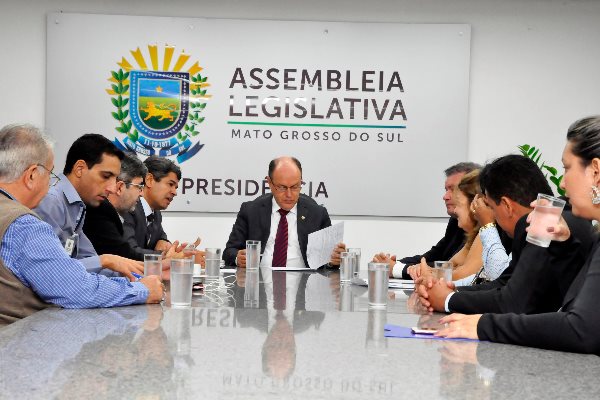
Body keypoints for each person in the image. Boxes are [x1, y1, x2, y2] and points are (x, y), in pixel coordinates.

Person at [435, 116, 600, 355]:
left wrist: (481, 324)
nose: (562, 184)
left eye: (567, 168)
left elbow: (580, 330)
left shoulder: (549, 217)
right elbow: (569, 307)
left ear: (595, 172)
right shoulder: (580, 230)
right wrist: (563, 248)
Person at [0, 124, 163, 326]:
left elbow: (84, 264)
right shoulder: (24, 225)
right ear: (32, 175)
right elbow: (74, 287)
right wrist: (142, 290)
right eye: (50, 174)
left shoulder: (78, 208)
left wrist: (131, 279)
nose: (113, 188)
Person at [417, 154, 593, 315]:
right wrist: (447, 291)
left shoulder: (545, 220)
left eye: (492, 208)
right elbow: (505, 283)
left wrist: (448, 300)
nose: (562, 184)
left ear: (507, 206)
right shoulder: (562, 215)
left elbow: (513, 302)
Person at [34, 133, 143, 278]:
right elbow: (50, 272)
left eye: (114, 179)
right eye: (105, 176)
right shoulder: (50, 201)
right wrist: (105, 260)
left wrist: (143, 274)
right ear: (80, 169)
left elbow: (88, 261)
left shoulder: (78, 206)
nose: (112, 188)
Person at [223, 156, 345, 268]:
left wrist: (333, 260)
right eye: (282, 187)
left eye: (295, 187)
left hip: (305, 286)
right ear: (269, 183)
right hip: (259, 284)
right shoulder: (251, 211)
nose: (289, 194)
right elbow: (229, 251)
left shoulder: (317, 214)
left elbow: (329, 261)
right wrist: (237, 258)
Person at [373, 162, 481, 278]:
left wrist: (396, 268)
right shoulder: (456, 223)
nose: (445, 196)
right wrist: (393, 264)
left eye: (453, 190)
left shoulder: (485, 233)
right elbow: (441, 263)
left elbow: (453, 274)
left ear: (474, 202)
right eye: (446, 190)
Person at [83, 152, 150, 261]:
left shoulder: (108, 211)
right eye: (139, 187)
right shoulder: (99, 210)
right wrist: (163, 260)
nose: (142, 194)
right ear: (119, 188)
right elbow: (123, 255)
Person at [123, 156, 181, 255]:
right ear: (149, 180)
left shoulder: (156, 213)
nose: (175, 192)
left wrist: (165, 242)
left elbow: (161, 237)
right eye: (170, 184)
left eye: (176, 187)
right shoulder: (129, 206)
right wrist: (170, 257)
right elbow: (129, 251)